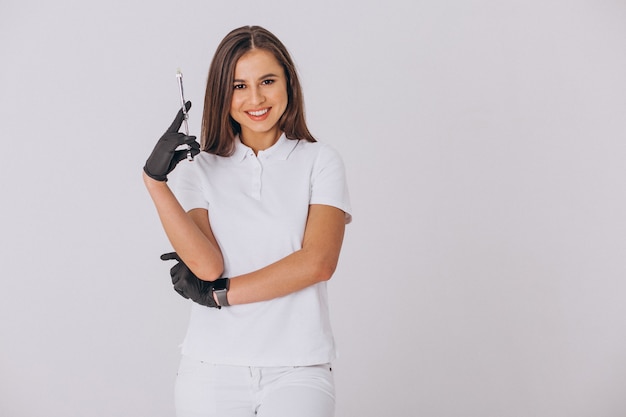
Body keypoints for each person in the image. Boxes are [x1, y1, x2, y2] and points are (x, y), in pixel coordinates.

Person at [142, 25, 352, 417]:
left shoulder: (320, 161)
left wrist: (221, 294)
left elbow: (318, 263)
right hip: (210, 369)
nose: (255, 98)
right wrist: (155, 182)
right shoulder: (197, 169)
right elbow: (207, 266)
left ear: (288, 83)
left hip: (298, 368)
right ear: (222, 93)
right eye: (239, 86)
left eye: (267, 81)